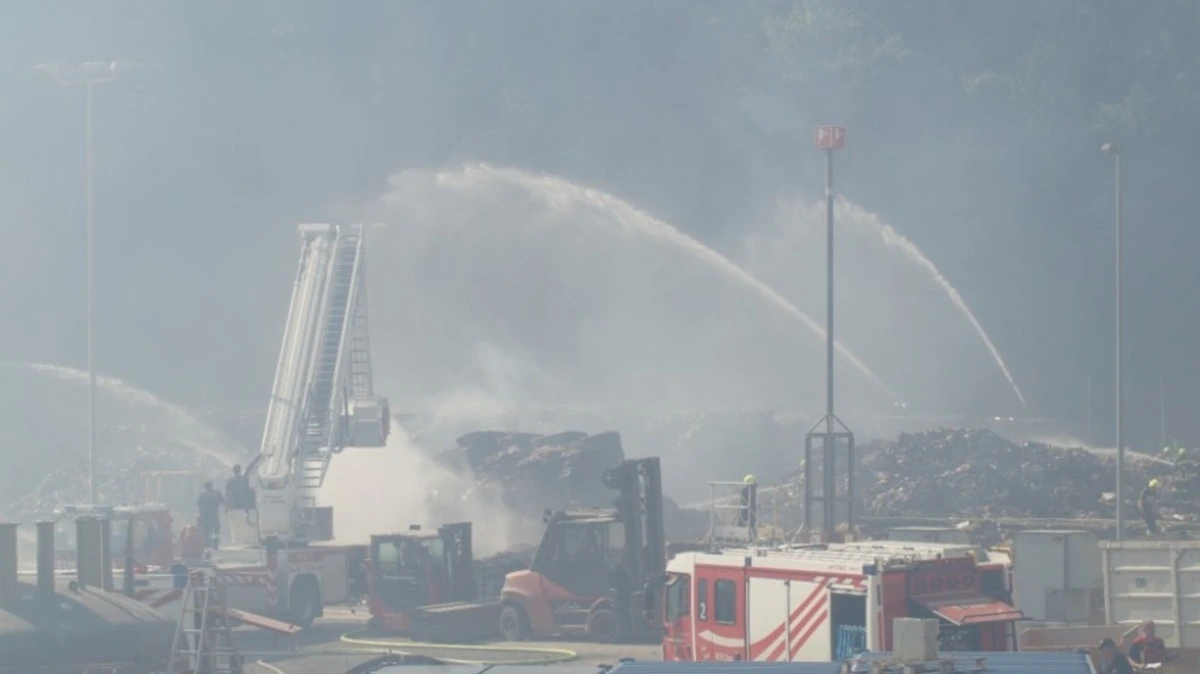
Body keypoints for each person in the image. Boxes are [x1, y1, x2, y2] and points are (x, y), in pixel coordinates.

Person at [197, 481, 226, 550]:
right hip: (214, 516)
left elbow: (198, 507)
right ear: (211, 486)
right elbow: (223, 503)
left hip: (204, 517)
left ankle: (207, 547)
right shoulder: (217, 494)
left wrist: (199, 517)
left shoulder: (202, 495)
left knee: (206, 532)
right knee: (216, 530)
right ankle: (215, 544)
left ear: (205, 487)